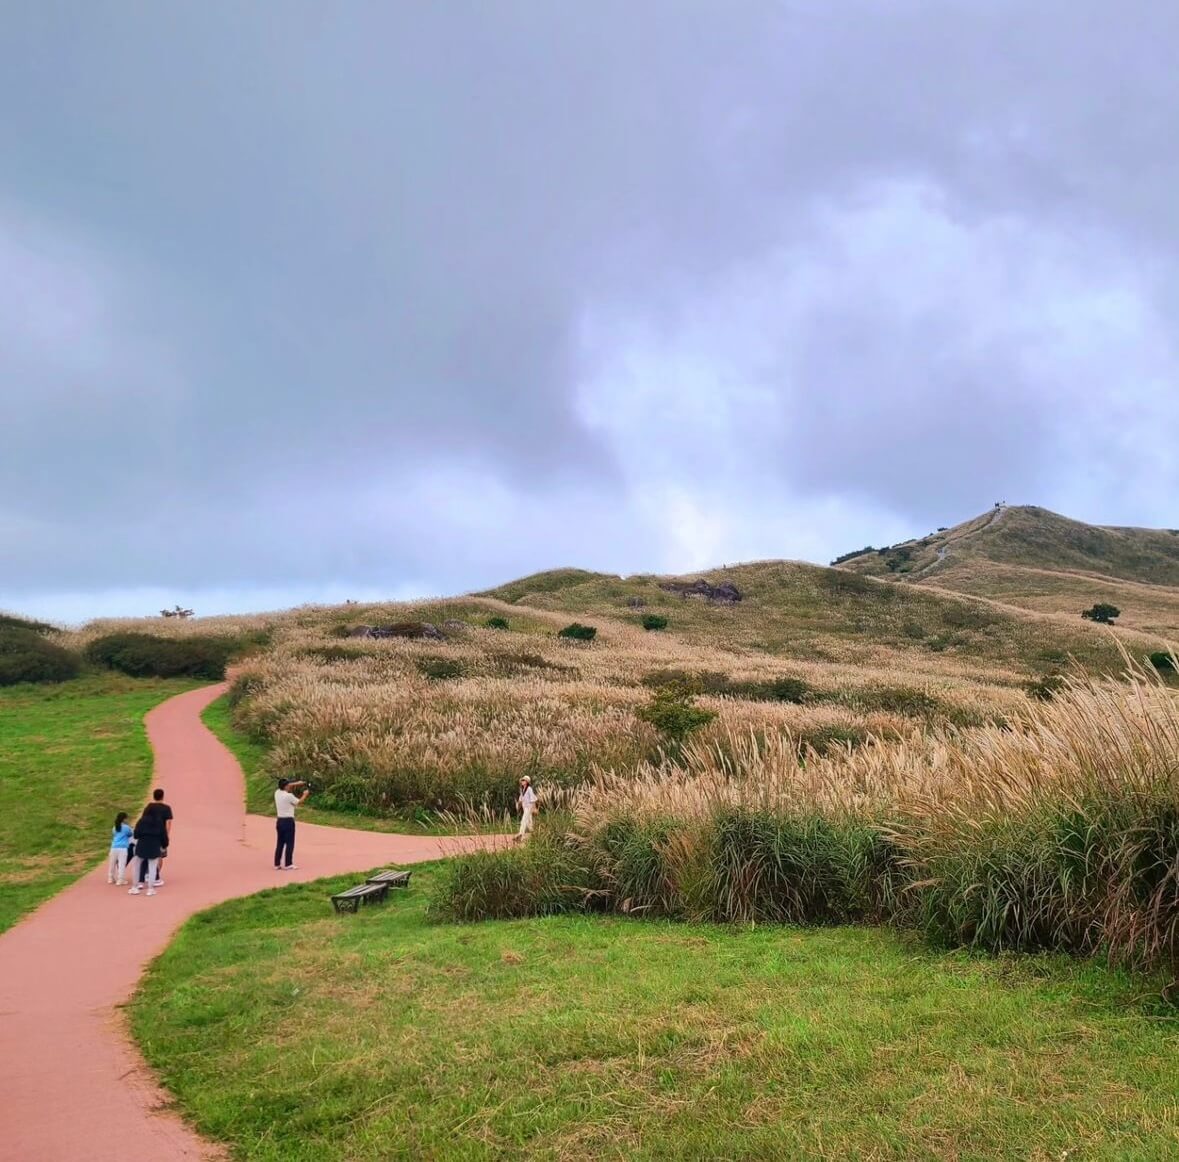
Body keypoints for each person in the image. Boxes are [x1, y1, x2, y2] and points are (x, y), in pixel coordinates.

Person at [129, 789, 171, 896]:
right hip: (154, 846)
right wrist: (164, 844)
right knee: (152, 867)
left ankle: (136, 886)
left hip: (142, 846)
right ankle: (150, 889)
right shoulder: (159, 823)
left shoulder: (142, 821)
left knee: (137, 865)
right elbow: (163, 836)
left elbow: (136, 834)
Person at [274, 778, 310, 870]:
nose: (289, 786)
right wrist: (305, 795)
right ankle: (288, 863)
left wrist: (298, 783)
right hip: (288, 821)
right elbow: (299, 802)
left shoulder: (277, 793)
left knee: (280, 843)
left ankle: (277, 863)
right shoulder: (289, 796)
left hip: (279, 821)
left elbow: (288, 785)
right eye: (288, 785)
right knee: (290, 843)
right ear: (286, 786)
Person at [107, 812, 133, 885]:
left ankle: (110, 878)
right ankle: (120, 879)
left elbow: (114, 834)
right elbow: (130, 834)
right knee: (121, 864)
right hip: (123, 848)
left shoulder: (115, 827)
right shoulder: (126, 827)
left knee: (112, 863)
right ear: (124, 819)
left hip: (114, 847)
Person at [515, 775, 537, 842]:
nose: (522, 781)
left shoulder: (529, 789)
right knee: (529, 823)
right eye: (522, 780)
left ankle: (520, 835)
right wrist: (518, 804)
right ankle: (535, 835)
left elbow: (533, 799)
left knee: (523, 821)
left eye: (523, 780)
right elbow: (521, 799)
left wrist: (534, 808)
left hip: (529, 808)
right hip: (525, 808)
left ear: (527, 782)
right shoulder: (522, 789)